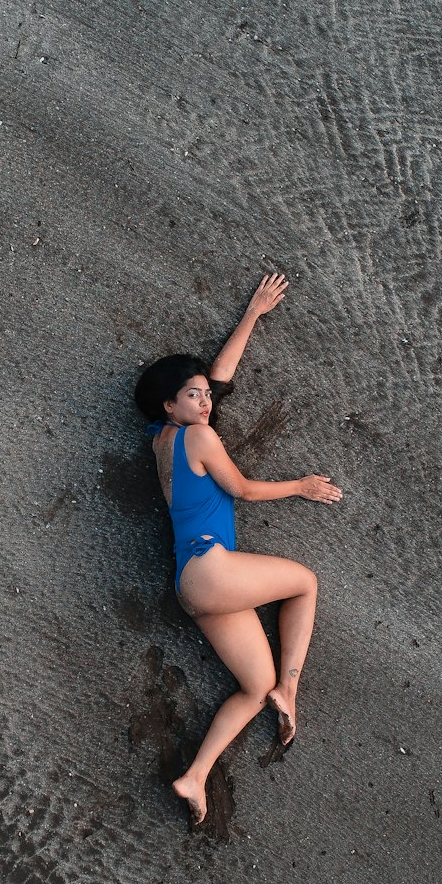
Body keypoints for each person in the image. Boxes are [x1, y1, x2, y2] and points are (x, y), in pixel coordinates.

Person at [134, 272, 343, 826]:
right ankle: (293, 689)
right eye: (192, 397)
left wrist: (253, 312)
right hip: (212, 569)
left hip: (193, 587)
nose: (204, 403)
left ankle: (194, 775)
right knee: (305, 582)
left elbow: (217, 379)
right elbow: (243, 489)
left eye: (204, 396)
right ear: (169, 403)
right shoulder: (199, 436)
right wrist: (301, 486)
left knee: (254, 686)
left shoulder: (163, 440)